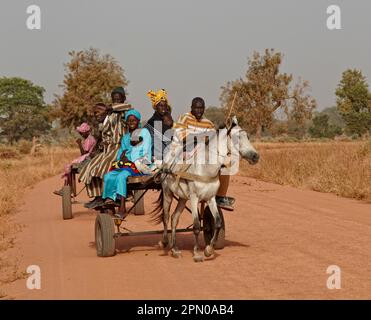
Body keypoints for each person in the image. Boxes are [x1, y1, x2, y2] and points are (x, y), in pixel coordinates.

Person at [173, 97, 235, 211]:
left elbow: (212, 140)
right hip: (183, 151)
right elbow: (183, 138)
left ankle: (220, 197)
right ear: (191, 108)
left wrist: (220, 129)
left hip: (201, 153)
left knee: (225, 165)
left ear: (204, 109)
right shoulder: (184, 118)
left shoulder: (208, 123)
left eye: (201, 108)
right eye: (196, 108)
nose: (199, 110)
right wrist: (203, 138)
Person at [79, 87, 131, 209]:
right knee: (89, 168)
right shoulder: (109, 116)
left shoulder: (124, 113)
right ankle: (98, 197)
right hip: (107, 149)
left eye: (118, 99)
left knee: (102, 169)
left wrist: (111, 108)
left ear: (123, 99)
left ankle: (111, 196)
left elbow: (127, 106)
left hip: (119, 148)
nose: (116, 101)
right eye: (114, 99)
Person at [102, 109, 152, 219]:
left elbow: (146, 152)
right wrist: (122, 158)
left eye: (134, 120)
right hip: (126, 165)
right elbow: (121, 153)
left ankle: (122, 207)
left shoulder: (144, 133)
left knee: (121, 176)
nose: (131, 123)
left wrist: (130, 159)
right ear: (127, 123)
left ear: (138, 121)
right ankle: (110, 202)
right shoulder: (125, 138)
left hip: (140, 164)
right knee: (108, 175)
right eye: (129, 121)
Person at [53, 122, 96, 196]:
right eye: (80, 133)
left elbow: (84, 153)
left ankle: (67, 188)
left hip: (87, 158)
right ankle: (67, 188)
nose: (81, 134)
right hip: (87, 157)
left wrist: (79, 144)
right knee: (69, 167)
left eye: (82, 133)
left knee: (69, 166)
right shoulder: (88, 139)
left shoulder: (89, 140)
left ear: (87, 132)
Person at [144, 89, 173, 162]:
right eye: (160, 105)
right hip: (155, 155)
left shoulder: (167, 120)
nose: (163, 108)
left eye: (165, 105)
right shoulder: (152, 121)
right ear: (156, 107)